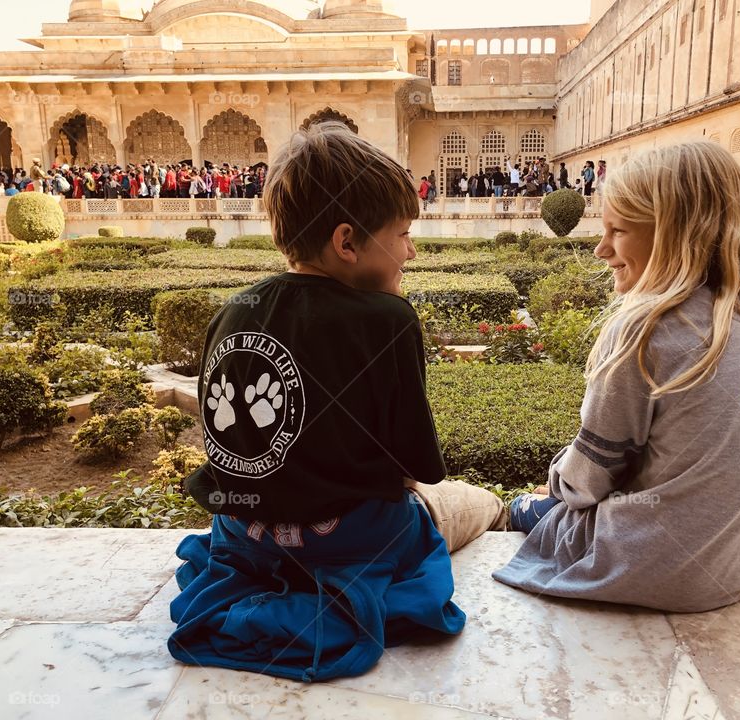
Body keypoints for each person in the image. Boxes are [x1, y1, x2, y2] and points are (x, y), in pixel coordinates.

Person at [169, 121, 504, 682]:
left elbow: (230, 456)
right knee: (473, 504)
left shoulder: (233, 310)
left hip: (244, 540)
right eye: (401, 235)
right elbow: (418, 467)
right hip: (348, 544)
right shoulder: (387, 320)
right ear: (346, 242)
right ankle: (512, 509)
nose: (411, 252)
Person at [493, 141, 740, 613]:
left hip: (653, 567)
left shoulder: (645, 327)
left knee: (535, 505)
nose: (601, 249)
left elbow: (588, 482)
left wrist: (555, 485)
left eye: (619, 231)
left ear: (676, 235)